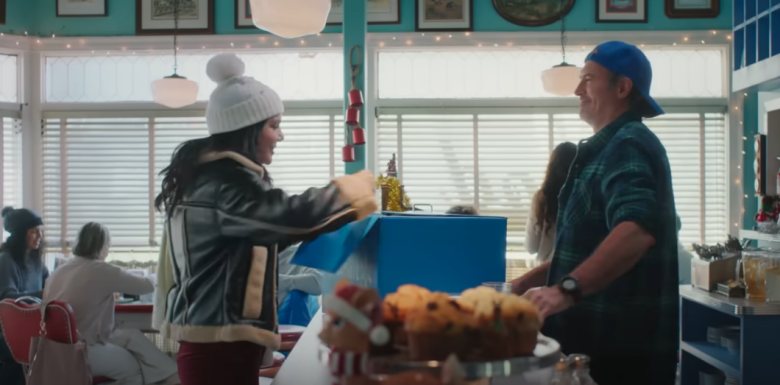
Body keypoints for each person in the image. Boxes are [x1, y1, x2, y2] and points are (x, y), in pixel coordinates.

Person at [155, 53, 376, 385]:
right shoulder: (224, 184)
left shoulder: (216, 179)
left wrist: (328, 221)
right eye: (273, 126)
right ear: (247, 130)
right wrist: (351, 191)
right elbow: (283, 216)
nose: (280, 136)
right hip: (218, 345)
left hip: (222, 341)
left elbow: (269, 232)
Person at [511, 41, 679, 385]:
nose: (576, 90)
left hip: (618, 352)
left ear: (622, 87)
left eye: (587, 79)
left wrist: (564, 290)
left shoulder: (628, 142)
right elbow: (588, 246)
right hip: (592, 345)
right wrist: (523, 284)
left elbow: (637, 230)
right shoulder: (606, 150)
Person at [43, 222, 179, 385]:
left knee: (132, 336)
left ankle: (172, 374)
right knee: (135, 367)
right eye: (108, 244)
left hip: (54, 351)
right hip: (84, 350)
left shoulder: (60, 270)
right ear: (101, 245)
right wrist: (158, 274)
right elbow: (145, 286)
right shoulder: (100, 269)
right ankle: (173, 376)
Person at [0, 206, 47, 385]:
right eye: (34, 232)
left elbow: (49, 286)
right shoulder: (6, 259)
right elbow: (7, 297)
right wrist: (42, 294)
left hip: (32, 326)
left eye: (40, 232)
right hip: (8, 330)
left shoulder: (36, 261)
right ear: (20, 234)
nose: (40, 237)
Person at [525, 142, 577, 263]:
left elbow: (531, 247)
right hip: (576, 270)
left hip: (545, 274)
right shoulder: (583, 195)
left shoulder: (542, 198)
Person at [276, 243, 323, 326]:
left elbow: (319, 283)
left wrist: (283, 281)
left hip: (287, 321)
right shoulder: (252, 254)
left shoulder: (299, 255)